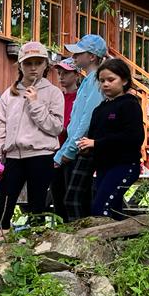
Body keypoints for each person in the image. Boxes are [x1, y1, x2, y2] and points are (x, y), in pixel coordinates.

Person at [0, 41, 64, 236]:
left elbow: (56, 127)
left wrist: (35, 104)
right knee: (5, 200)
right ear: (20, 65)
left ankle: (36, 243)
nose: (33, 68)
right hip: (13, 155)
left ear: (46, 65)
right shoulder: (9, 94)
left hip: (41, 154)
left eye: (38, 63)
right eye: (28, 63)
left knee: (37, 203)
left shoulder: (54, 93)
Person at [77, 59, 145, 219]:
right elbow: (93, 137)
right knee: (112, 209)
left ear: (124, 80)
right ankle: (122, 235)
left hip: (125, 165)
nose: (106, 84)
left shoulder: (130, 104)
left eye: (111, 79)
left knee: (101, 208)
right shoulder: (99, 110)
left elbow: (133, 137)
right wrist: (87, 147)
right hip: (103, 167)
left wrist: (96, 143)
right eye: (102, 81)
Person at [53, 34, 106, 221]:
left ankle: (83, 234)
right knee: (69, 198)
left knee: (75, 199)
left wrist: (69, 150)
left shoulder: (97, 80)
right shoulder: (87, 81)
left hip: (83, 148)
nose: (74, 56)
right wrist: (60, 154)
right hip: (75, 146)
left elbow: (87, 119)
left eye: (78, 53)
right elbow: (74, 122)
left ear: (92, 56)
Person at [50, 57, 81, 221]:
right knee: (57, 195)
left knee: (72, 196)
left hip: (73, 152)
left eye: (66, 73)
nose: (61, 77)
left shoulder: (81, 97)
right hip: (54, 150)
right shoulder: (57, 97)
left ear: (76, 74)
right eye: (59, 73)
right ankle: (60, 227)